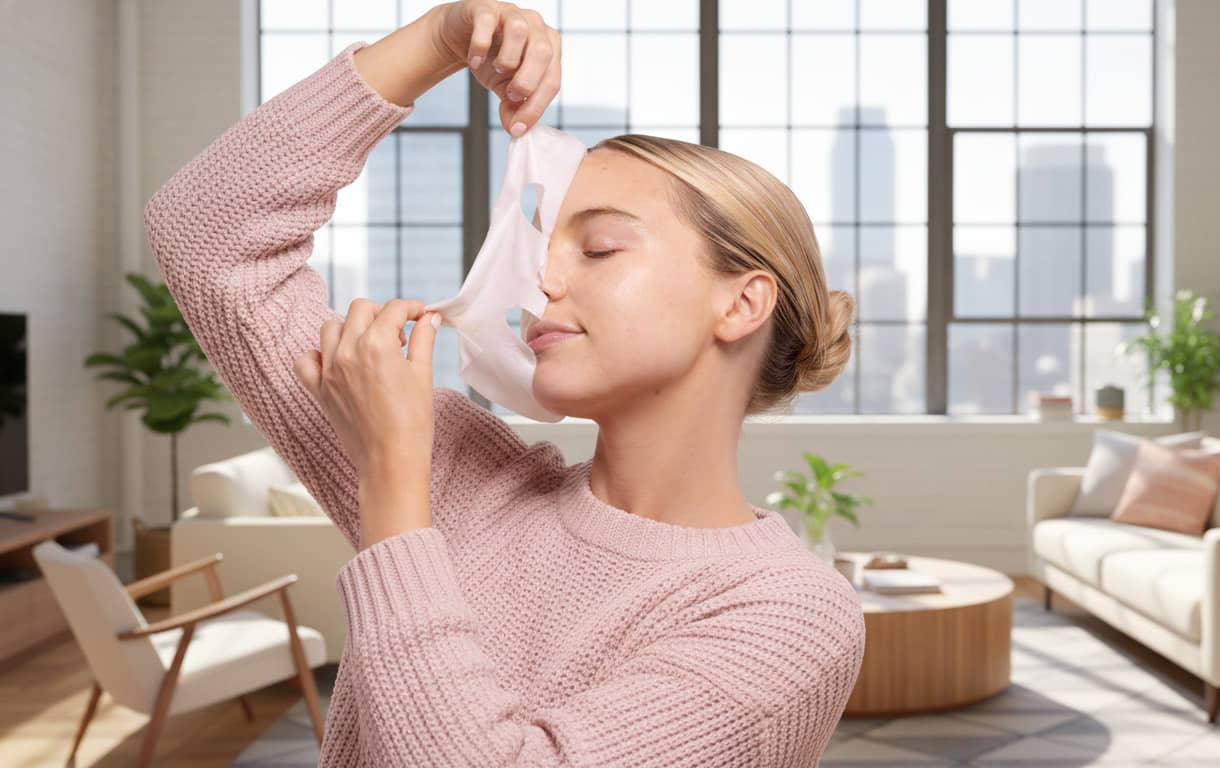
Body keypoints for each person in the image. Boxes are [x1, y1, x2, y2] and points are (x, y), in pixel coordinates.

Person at [143, 1, 866, 765]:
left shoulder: (789, 616)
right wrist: (436, 41)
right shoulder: (467, 480)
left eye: (599, 248)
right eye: (539, 244)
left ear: (741, 302)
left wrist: (392, 483)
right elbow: (207, 234)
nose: (536, 279)